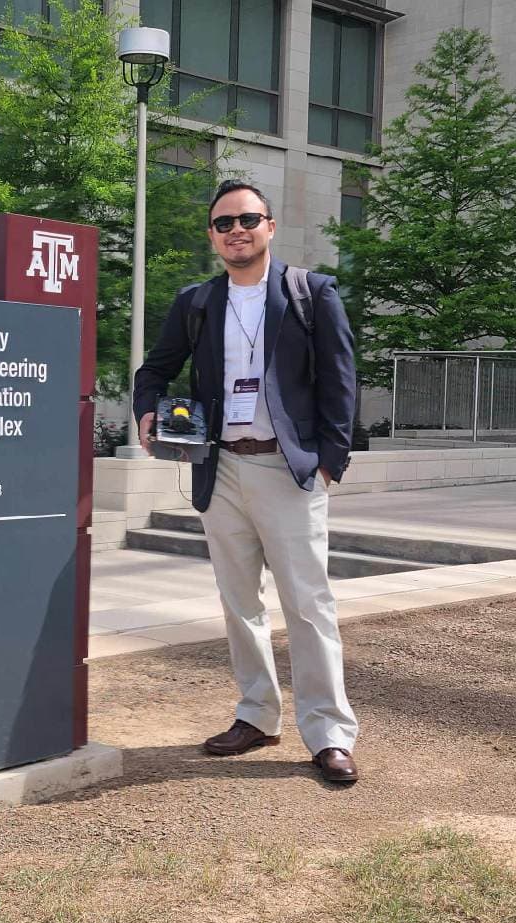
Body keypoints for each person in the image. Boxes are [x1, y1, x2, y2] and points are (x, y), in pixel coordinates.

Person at [133, 179, 359, 784]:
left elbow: (341, 380)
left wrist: (329, 461)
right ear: (212, 235)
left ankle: (329, 732)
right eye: (224, 223)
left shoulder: (310, 293)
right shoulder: (197, 302)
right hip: (221, 468)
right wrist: (147, 410)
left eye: (248, 220)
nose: (237, 231)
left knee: (307, 605)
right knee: (239, 603)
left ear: (270, 226)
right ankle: (258, 714)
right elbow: (154, 370)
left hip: (288, 469)